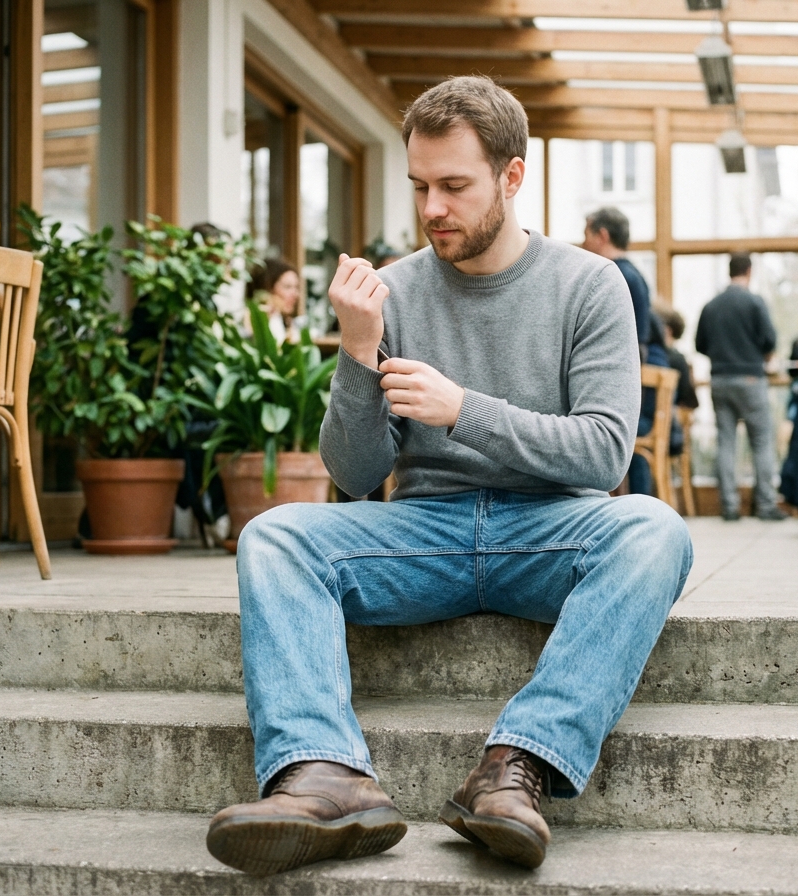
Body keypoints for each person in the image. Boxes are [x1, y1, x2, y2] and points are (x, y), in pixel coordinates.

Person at [205, 76, 694, 878]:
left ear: (512, 176)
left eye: (454, 186)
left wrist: (460, 408)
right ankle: (325, 774)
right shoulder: (393, 288)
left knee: (654, 530)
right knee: (275, 536)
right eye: (420, 186)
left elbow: (607, 454)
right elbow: (357, 475)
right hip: (421, 535)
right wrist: (359, 352)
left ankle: (514, 770)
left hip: (550, 531)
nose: (432, 207)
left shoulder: (590, 285)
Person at [694, 252, 785, 521]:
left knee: (726, 441)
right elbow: (769, 341)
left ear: (729, 271)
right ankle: (766, 504)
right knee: (761, 441)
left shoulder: (711, 306)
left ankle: (729, 506)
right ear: (749, 271)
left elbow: (700, 345)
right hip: (750, 379)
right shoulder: (755, 303)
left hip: (720, 380)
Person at [582, 206, 649, 359]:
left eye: (586, 236)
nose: (584, 244)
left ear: (602, 236)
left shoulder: (611, 276)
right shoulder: (634, 274)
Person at [253, 259, 307, 343]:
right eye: (287, 287)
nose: (295, 294)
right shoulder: (253, 325)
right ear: (267, 288)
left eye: (296, 287)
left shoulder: (288, 324)